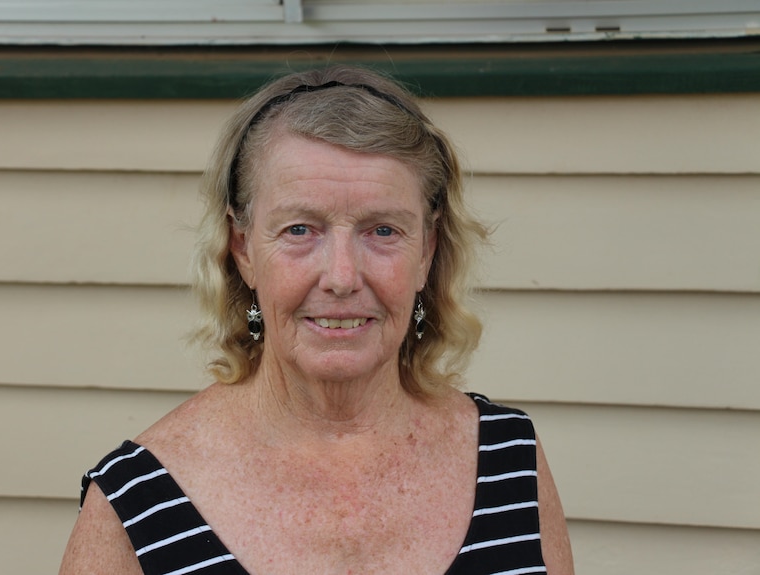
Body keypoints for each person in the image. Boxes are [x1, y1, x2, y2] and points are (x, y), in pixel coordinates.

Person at [59, 65, 574, 575]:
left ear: (428, 251)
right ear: (242, 249)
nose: (342, 277)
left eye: (384, 231)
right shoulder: (134, 506)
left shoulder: (511, 461)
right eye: (301, 229)